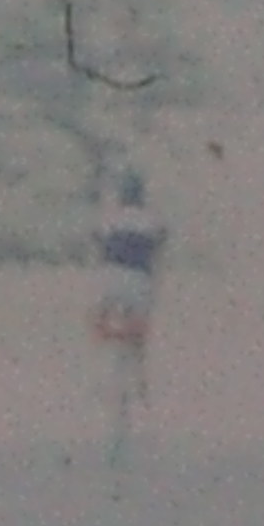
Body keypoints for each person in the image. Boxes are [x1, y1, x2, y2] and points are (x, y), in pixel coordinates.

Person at [90, 163, 163, 462]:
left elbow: (99, 244)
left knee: (100, 313)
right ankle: (140, 376)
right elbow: (158, 250)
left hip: (109, 278)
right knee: (139, 330)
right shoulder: (152, 219)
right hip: (138, 279)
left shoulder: (109, 218)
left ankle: (97, 358)